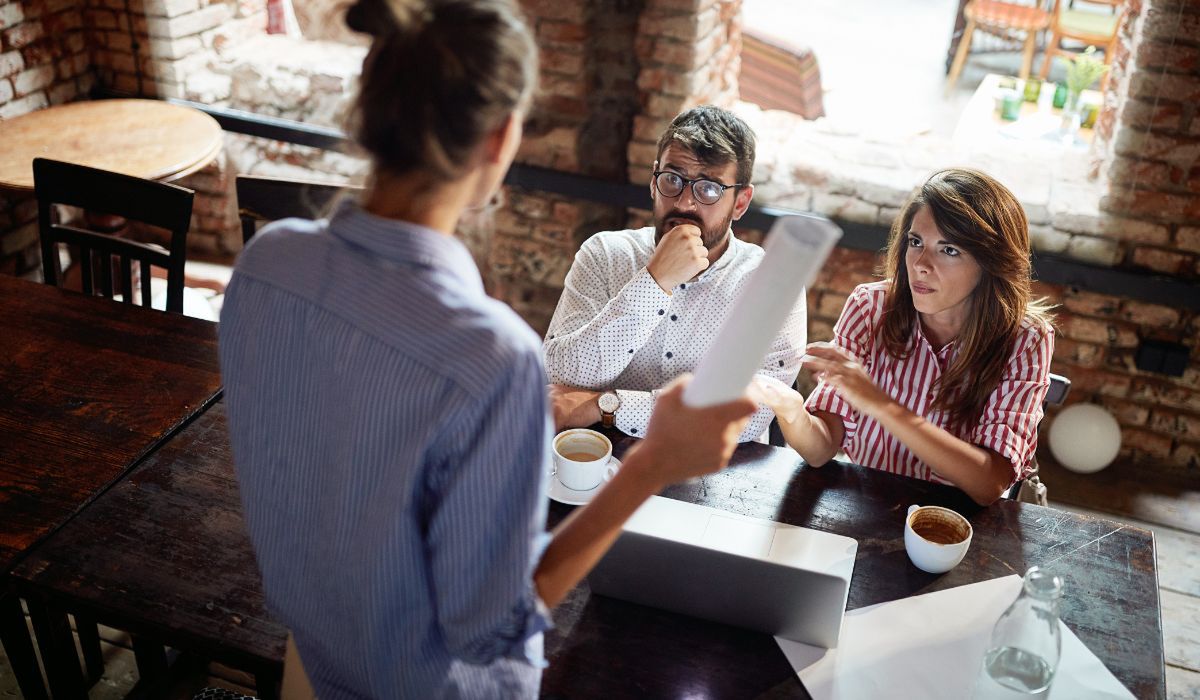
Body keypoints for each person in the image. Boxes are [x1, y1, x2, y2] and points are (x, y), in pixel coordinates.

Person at [217, 0, 755, 697]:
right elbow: (491, 629)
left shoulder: (266, 265)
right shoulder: (492, 359)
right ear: (501, 141)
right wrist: (649, 467)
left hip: (314, 654)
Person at [751, 168, 1054, 506]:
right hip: (867, 508)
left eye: (949, 250)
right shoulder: (870, 307)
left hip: (958, 526)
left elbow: (989, 483)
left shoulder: (1027, 337)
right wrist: (791, 410)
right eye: (915, 242)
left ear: (990, 262)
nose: (921, 264)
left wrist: (880, 404)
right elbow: (821, 449)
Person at [543, 106, 806, 441]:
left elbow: (744, 417)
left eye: (709, 188)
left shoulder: (774, 284)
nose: (685, 203)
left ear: (740, 202)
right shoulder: (604, 254)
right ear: (654, 182)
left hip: (716, 474)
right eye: (673, 179)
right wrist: (655, 282)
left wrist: (605, 405)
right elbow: (560, 373)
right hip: (597, 454)